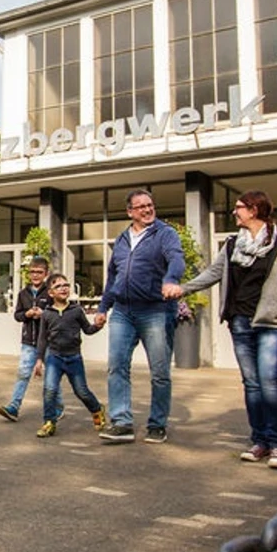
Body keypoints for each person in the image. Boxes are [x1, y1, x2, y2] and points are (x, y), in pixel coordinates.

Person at [167, 190, 277, 469]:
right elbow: (213, 273)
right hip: (241, 321)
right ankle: (260, 440)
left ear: (254, 210)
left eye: (239, 207)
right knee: (252, 383)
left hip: (273, 323)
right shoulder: (233, 244)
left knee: (269, 379)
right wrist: (183, 289)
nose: (234, 212)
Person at [93, 189, 185, 445]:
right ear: (129, 212)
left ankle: (157, 424)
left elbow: (176, 259)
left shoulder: (165, 233)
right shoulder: (122, 239)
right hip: (123, 311)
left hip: (156, 310)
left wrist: (171, 279)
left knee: (159, 372)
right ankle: (121, 423)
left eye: (150, 205)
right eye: (141, 206)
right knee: (117, 366)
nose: (147, 209)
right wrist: (103, 308)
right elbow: (113, 277)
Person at [34, 273, 108, 438]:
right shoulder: (47, 314)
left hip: (74, 358)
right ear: (50, 293)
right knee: (49, 390)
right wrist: (39, 359)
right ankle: (49, 422)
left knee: (81, 391)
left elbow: (87, 330)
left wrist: (98, 326)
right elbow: (42, 338)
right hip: (54, 358)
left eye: (66, 285)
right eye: (58, 286)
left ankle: (97, 409)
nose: (63, 288)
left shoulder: (76, 310)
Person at [0, 257, 50, 422]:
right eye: (32, 272)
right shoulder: (23, 293)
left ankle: (57, 407)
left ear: (46, 274)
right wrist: (26, 314)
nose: (35, 275)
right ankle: (14, 406)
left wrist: (43, 314)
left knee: (51, 377)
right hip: (29, 342)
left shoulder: (50, 292)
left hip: (48, 342)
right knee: (23, 373)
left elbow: (57, 314)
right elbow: (17, 315)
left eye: (39, 272)